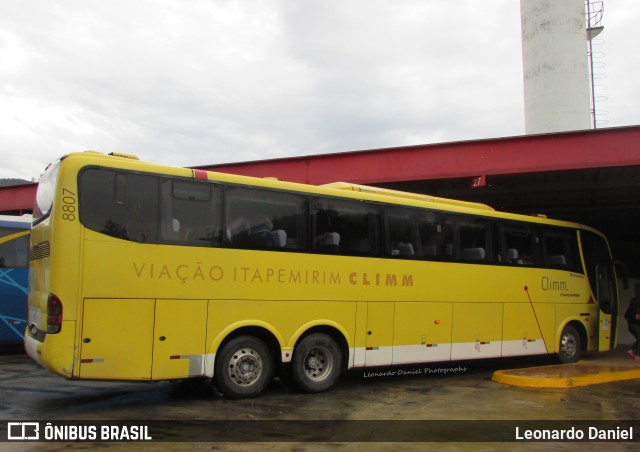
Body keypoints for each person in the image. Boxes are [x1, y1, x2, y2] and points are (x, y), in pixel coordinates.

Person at [624, 296, 640, 363]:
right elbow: (637, 318)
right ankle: (637, 355)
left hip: (631, 326)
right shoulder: (636, 309)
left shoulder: (630, 309)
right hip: (635, 326)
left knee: (639, 339)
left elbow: (626, 316)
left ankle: (631, 350)